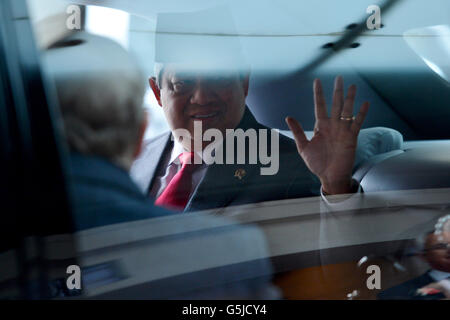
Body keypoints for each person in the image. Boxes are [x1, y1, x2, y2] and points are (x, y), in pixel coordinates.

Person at [131, 8, 369, 212]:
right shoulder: (133, 158)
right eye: (182, 83)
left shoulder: (292, 166)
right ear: (157, 92)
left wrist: (336, 188)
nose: (202, 97)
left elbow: (328, 261)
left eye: (218, 78)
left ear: (244, 82)